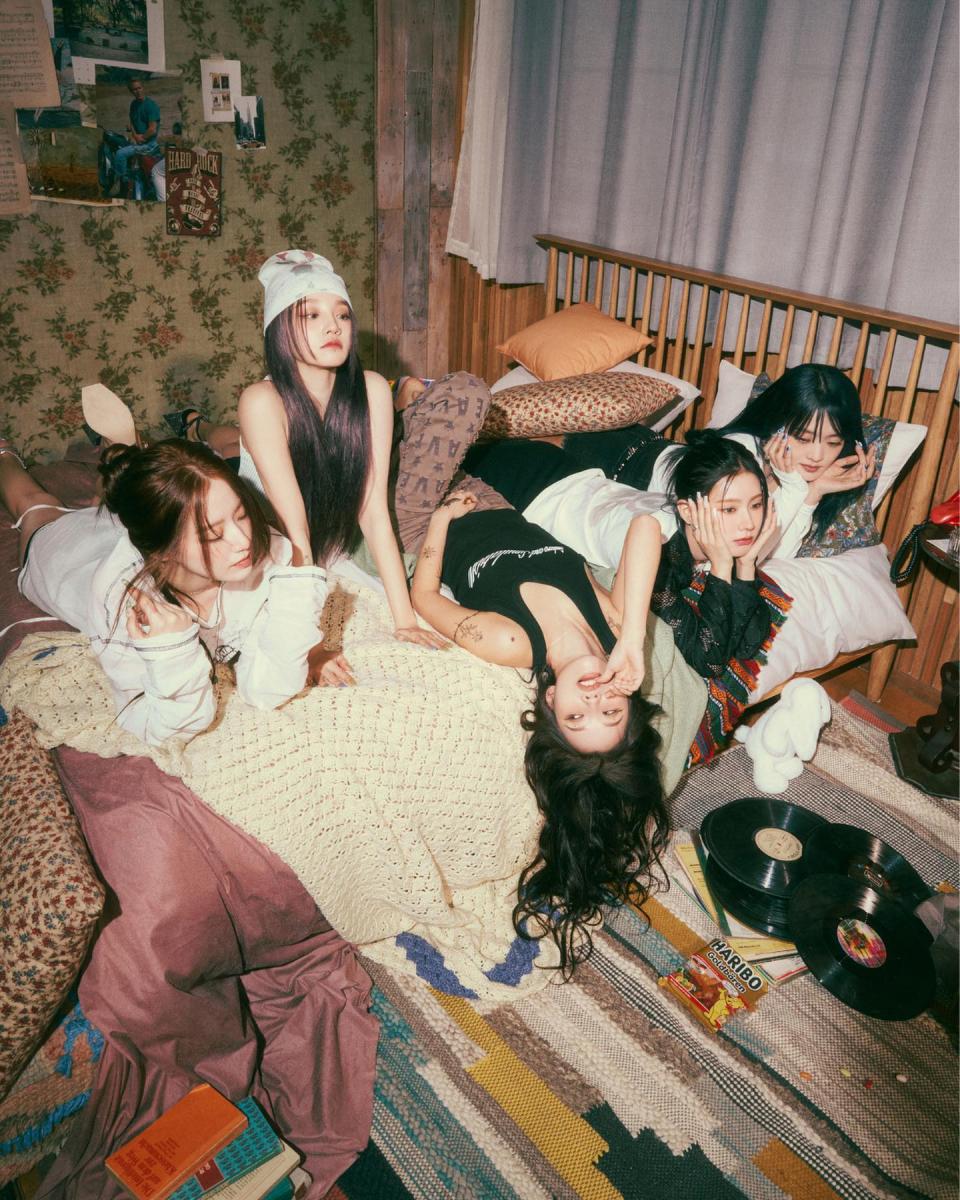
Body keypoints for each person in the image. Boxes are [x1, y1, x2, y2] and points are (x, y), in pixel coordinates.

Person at [391, 375, 716, 973]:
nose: (592, 697)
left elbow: (425, 599)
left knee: (463, 396)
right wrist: (635, 641)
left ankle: (397, 416)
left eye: (575, 715)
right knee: (462, 411)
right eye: (609, 711)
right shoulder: (613, 626)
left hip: (422, 515)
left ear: (549, 702)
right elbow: (647, 527)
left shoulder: (513, 642)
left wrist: (438, 522)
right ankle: (403, 414)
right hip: (491, 497)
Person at [0, 437, 332, 746]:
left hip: (154, 529)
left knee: (134, 507)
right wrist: (172, 652)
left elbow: (267, 688)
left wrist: (305, 631)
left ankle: (115, 479)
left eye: (241, 515)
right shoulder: (120, 599)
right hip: (67, 556)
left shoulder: (256, 547)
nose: (243, 540)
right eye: (213, 534)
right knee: (33, 503)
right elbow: (160, 725)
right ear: (164, 551)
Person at [235, 249, 444, 652]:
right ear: (279, 330)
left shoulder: (372, 389)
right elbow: (294, 531)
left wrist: (404, 621)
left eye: (343, 315)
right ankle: (193, 426)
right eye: (311, 315)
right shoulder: (260, 400)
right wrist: (310, 645)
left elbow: (373, 511)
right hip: (273, 541)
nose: (332, 325)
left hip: (328, 538)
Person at [463, 430, 789, 681]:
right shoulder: (660, 552)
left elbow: (749, 642)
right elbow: (710, 660)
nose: (749, 523)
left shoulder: (717, 534)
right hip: (522, 484)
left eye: (756, 505)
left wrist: (746, 565)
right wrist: (722, 566)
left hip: (572, 479)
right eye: (729, 509)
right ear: (688, 511)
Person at [555, 363, 876, 559]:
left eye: (833, 443)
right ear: (777, 425)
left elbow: (777, 557)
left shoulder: (796, 475)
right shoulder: (742, 453)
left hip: (638, 461)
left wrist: (812, 493)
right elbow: (750, 556)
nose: (818, 456)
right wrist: (796, 488)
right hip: (619, 456)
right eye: (804, 439)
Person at [107, 75, 160, 197]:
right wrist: (134, 135)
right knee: (118, 143)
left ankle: (121, 180)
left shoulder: (151, 106)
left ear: (143, 87)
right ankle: (123, 171)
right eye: (134, 89)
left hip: (149, 144)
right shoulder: (134, 104)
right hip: (139, 141)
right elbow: (132, 122)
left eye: (139, 88)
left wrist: (142, 138)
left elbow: (152, 130)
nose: (138, 91)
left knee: (120, 154)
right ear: (131, 91)